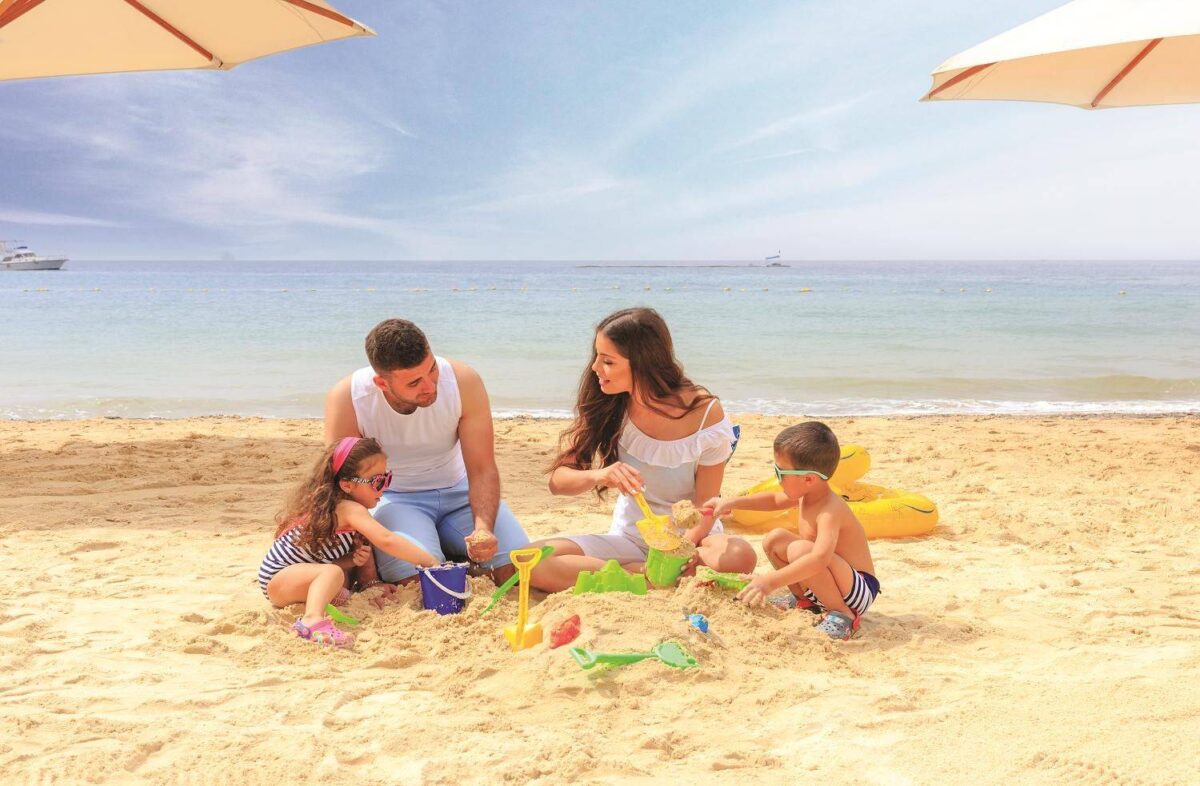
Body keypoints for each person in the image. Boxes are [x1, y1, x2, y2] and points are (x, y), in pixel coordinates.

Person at [529, 307, 757, 592]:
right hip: (631, 540)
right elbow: (558, 482)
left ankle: (636, 577)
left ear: (642, 363)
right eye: (596, 357)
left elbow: (706, 507)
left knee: (740, 555)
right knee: (533, 560)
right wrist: (601, 475)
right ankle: (643, 578)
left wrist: (683, 549)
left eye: (607, 361)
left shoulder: (705, 414)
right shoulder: (610, 405)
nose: (595, 368)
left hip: (693, 541)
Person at [324, 319, 529, 588]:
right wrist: (367, 572)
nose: (430, 386)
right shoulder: (348, 399)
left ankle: (456, 554)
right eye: (414, 383)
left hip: (460, 492)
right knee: (422, 583)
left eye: (432, 370)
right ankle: (450, 558)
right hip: (396, 499)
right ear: (381, 383)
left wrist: (483, 528)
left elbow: (482, 468)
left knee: (518, 571)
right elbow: (343, 488)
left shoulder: (463, 381)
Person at [702, 421, 880, 640]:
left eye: (780, 472)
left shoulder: (830, 510)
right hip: (830, 581)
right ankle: (804, 600)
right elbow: (774, 500)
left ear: (808, 479)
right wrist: (731, 502)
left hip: (857, 591)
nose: (777, 478)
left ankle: (842, 615)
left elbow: (820, 559)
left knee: (801, 550)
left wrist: (770, 582)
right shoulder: (807, 493)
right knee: (774, 540)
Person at [259, 437, 438, 647]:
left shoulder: (339, 509)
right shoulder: (348, 508)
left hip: (300, 578)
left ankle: (322, 607)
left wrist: (350, 561)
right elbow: (386, 540)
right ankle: (311, 620)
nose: (383, 489)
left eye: (386, 479)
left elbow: (321, 560)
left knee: (341, 585)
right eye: (377, 482)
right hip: (278, 578)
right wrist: (432, 563)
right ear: (347, 485)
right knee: (332, 574)